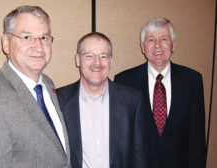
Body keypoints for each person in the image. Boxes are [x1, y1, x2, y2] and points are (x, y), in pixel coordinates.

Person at [0, 6, 70, 168]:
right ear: (6, 43)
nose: (38, 46)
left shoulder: (48, 85)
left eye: (44, 37)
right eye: (27, 37)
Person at [114, 17, 206, 168]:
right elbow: (120, 138)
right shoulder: (124, 81)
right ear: (143, 47)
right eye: (151, 40)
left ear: (173, 45)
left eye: (164, 39)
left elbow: (197, 138)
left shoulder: (192, 80)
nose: (157, 45)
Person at [56, 32, 148, 168]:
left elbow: (139, 156)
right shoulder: (59, 100)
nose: (97, 62)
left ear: (110, 61)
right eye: (89, 56)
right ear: (77, 59)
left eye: (103, 56)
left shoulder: (132, 100)